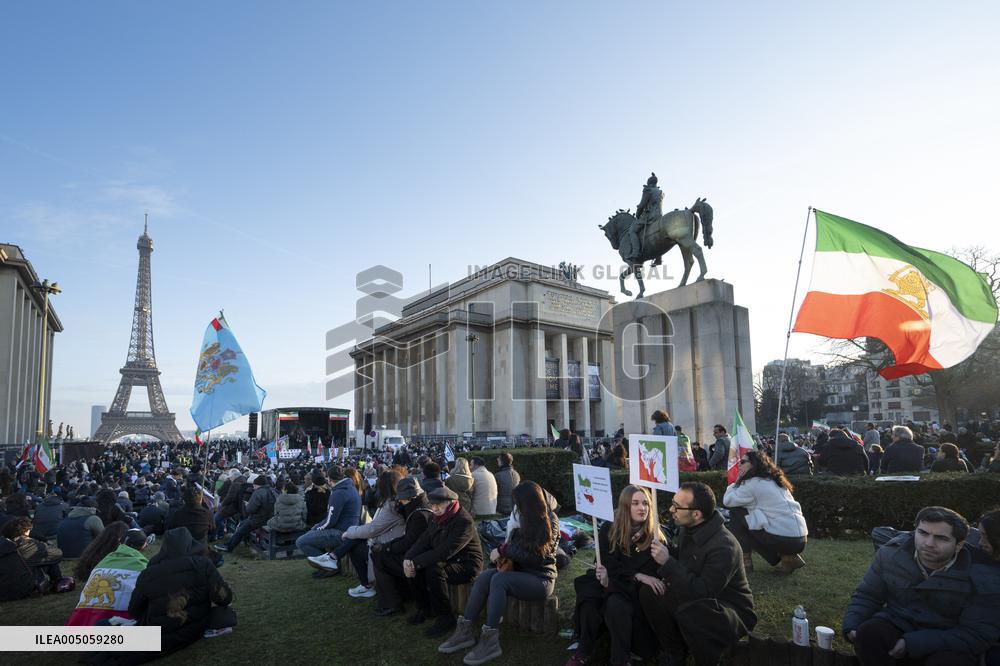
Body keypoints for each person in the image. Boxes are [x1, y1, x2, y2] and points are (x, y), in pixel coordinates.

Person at [843, 506, 1000, 665]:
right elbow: (868, 595)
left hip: (948, 638)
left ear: (959, 545)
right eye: (923, 533)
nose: (929, 543)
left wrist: (912, 643)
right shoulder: (891, 554)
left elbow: (976, 634)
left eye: (941, 538)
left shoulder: (983, 575)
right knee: (869, 633)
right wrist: (852, 625)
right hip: (898, 622)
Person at [438, 481, 559, 664]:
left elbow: (537, 558)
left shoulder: (550, 521)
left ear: (529, 503)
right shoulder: (521, 517)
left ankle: (491, 641)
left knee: (499, 580)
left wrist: (504, 551)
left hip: (540, 578)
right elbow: (515, 548)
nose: (515, 507)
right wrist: (503, 553)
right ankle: (465, 631)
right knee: (486, 577)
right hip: (518, 570)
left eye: (518, 503)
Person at [639, 482, 756, 666]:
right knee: (650, 592)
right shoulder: (688, 527)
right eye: (672, 502)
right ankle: (675, 652)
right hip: (695, 596)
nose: (671, 509)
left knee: (694, 610)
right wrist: (661, 546)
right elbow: (686, 561)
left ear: (696, 514)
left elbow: (704, 593)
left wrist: (668, 562)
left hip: (728, 609)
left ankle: (712, 657)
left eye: (677, 506)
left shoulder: (724, 546)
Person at [566, 485, 662, 666]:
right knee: (590, 600)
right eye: (635, 503)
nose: (642, 508)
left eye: (645, 504)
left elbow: (650, 570)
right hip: (612, 578)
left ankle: (621, 659)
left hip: (631, 588)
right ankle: (583, 651)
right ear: (626, 506)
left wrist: (636, 576)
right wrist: (604, 575)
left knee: (616, 604)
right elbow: (604, 561)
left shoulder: (653, 535)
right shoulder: (609, 529)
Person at [130, 527, 235, 659]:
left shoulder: (148, 573)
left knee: (101, 634)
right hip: (194, 631)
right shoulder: (203, 565)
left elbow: (134, 611)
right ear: (190, 544)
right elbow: (224, 598)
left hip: (157, 638)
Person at [403, 486, 483, 639]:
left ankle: (446, 618)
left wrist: (416, 562)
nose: (434, 508)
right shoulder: (436, 517)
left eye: (439, 505)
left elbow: (446, 551)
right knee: (416, 564)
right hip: (448, 559)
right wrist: (408, 558)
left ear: (451, 503)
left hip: (467, 564)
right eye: (432, 505)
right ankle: (425, 608)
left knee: (433, 569)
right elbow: (423, 540)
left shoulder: (463, 521)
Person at [723, 450, 809, 574]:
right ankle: (788, 558)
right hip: (800, 539)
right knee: (750, 523)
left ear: (754, 464)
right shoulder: (776, 481)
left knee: (736, 512)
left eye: (743, 462)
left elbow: (728, 501)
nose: (739, 465)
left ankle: (745, 562)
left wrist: (737, 480)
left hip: (783, 539)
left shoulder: (752, 483)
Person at [371, 476, 433, 616]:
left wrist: (386, 547)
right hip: (418, 553)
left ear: (410, 497)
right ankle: (395, 597)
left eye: (402, 498)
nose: (399, 501)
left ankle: (392, 603)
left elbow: (409, 542)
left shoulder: (419, 514)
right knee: (378, 554)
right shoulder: (420, 505)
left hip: (419, 558)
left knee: (379, 557)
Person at [340, 469, 406, 599]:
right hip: (389, 542)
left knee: (354, 545)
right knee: (354, 541)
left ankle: (366, 585)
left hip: (388, 547)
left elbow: (373, 529)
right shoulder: (393, 501)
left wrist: (350, 531)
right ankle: (332, 557)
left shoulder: (392, 505)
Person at [66, 527, 150, 625]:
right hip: (119, 618)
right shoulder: (143, 565)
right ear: (143, 546)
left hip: (83, 616)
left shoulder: (103, 562)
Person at [298, 465, 360, 575]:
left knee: (301, 541)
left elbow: (330, 521)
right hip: (349, 529)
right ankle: (326, 564)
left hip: (341, 532)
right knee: (310, 535)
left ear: (329, 478)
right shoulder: (350, 488)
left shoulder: (338, 493)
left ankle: (328, 566)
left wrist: (316, 528)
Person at [214, 474, 277, 553]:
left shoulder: (258, 493)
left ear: (257, 484)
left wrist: (247, 505)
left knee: (241, 530)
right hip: (271, 518)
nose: (253, 487)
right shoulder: (273, 491)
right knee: (241, 525)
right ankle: (228, 544)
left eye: (254, 485)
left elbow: (250, 510)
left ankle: (228, 547)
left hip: (258, 519)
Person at [2, 516, 65, 593]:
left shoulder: (4, 545)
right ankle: (58, 581)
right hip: (24, 587)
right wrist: (42, 544)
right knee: (48, 559)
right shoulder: (27, 545)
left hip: (3, 590)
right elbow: (58, 554)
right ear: (25, 531)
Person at [627, 172, 663, 260]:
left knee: (632, 231)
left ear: (648, 182)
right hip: (659, 216)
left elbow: (642, 205)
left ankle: (636, 252)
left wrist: (637, 215)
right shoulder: (660, 191)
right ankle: (659, 258)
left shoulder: (648, 190)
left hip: (650, 216)